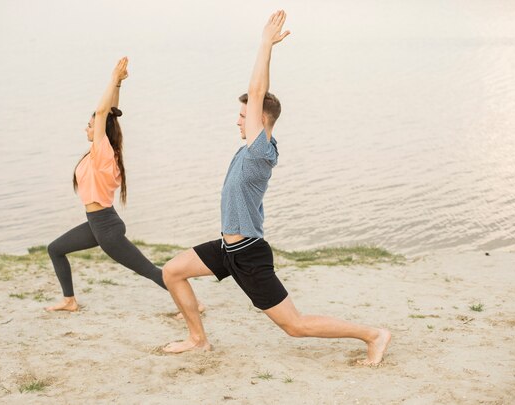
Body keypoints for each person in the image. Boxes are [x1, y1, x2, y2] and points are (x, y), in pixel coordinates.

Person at [161, 11, 391, 366]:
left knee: (295, 326)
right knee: (172, 271)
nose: (238, 120)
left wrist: (265, 44)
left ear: (260, 119)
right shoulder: (247, 148)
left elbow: (256, 92)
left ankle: (373, 335)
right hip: (227, 248)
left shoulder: (259, 152)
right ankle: (197, 339)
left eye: (243, 116)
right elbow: (254, 99)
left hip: (249, 254)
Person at [45, 57, 167, 311]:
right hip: (97, 224)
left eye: (90, 125)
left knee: (149, 270)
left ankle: (194, 303)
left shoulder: (103, 154)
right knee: (55, 249)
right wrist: (119, 86)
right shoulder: (97, 154)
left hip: (107, 229)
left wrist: (112, 79)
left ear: (99, 130)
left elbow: (102, 113)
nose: (87, 129)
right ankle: (69, 300)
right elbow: (109, 114)